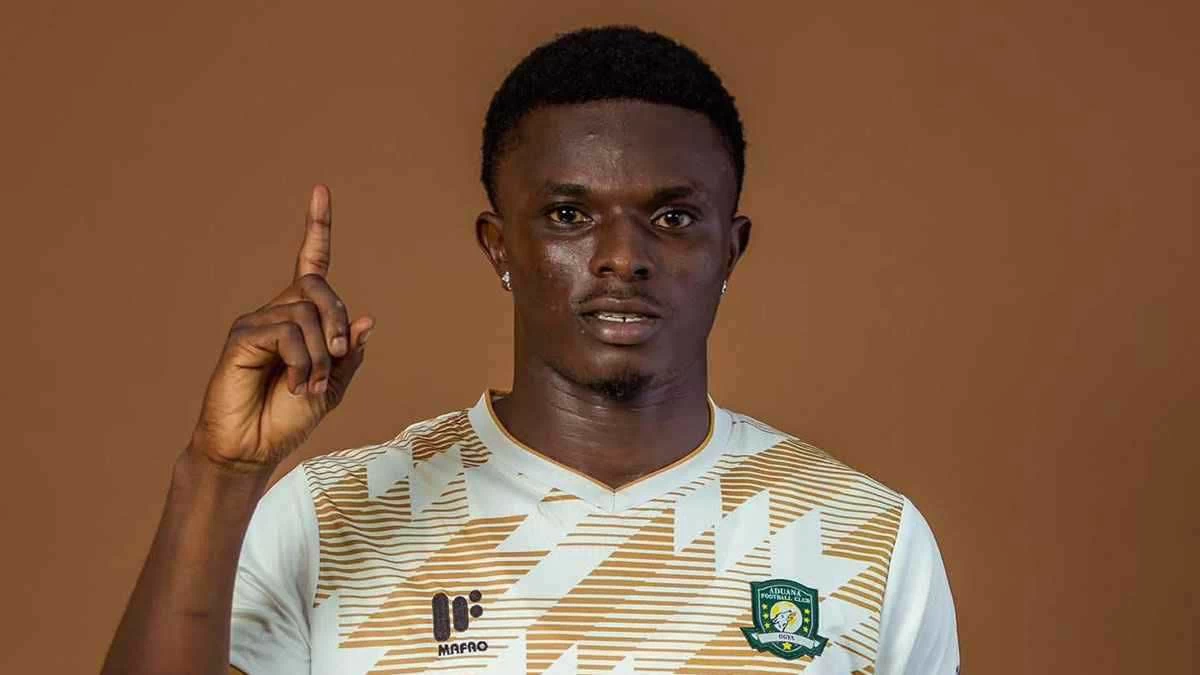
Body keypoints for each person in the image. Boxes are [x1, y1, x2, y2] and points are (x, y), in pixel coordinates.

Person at [102, 25, 959, 675]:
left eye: (672, 216)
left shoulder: (867, 538)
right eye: (569, 215)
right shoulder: (327, 518)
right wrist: (219, 474)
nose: (622, 256)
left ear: (729, 251)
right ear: (499, 246)